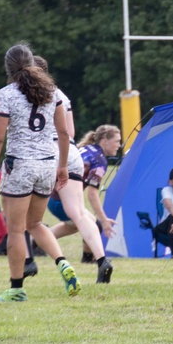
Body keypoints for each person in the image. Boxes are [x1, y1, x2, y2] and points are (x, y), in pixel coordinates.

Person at [0, 42, 80, 302]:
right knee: (36, 224)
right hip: (46, 165)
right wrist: (63, 166)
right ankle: (63, 263)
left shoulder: (6, 94)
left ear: (8, 68)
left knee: (17, 230)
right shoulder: (52, 91)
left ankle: (16, 289)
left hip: (20, 165)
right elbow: (64, 133)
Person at [33, 55, 113, 283]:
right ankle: (101, 260)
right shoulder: (62, 95)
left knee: (27, 217)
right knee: (78, 213)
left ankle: (26, 261)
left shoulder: (26, 94)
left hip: (45, 152)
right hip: (70, 151)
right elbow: (69, 132)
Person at [48, 125, 121, 267]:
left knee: (74, 226)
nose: (119, 145)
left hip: (54, 198)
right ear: (104, 141)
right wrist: (104, 219)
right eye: (117, 141)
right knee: (94, 225)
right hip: (61, 201)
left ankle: (35, 240)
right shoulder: (100, 160)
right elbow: (92, 194)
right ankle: (87, 259)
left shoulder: (88, 149)